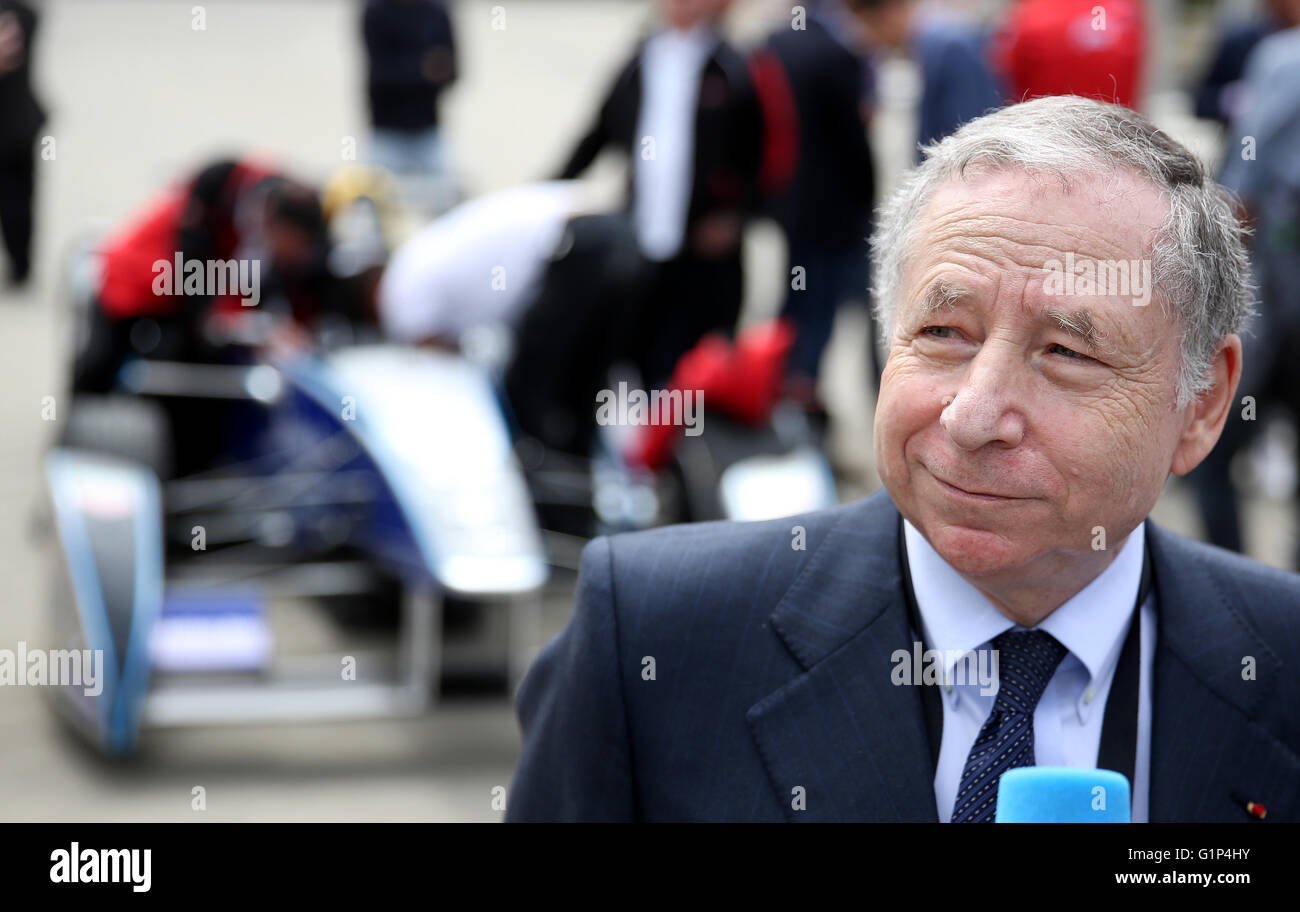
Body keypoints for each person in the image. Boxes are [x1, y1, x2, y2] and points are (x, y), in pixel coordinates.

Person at [506, 96, 1300, 822]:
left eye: (1064, 351)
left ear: (1200, 404)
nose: (973, 415)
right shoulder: (652, 637)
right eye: (944, 334)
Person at [556, 0, 764, 387]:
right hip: (640, 237)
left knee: (695, 358)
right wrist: (552, 192)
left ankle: (686, 440)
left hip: (703, 249)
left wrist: (737, 217)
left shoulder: (733, 67)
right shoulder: (640, 59)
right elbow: (598, 133)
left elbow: (762, 155)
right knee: (629, 350)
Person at [1188, 11, 1300, 560]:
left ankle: (1232, 579)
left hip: (1272, 307)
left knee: (1204, 445)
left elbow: (1241, 194)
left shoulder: (1283, 58)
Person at [760, 0, 875, 401]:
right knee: (822, 308)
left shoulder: (774, 40)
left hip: (789, 201)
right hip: (835, 210)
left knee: (796, 300)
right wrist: (868, 199)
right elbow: (854, 142)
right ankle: (800, 395)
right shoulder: (837, 51)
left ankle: (778, 386)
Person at [361, 0, 457, 177]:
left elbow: (453, 71)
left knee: (448, 192)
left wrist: (417, 70)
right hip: (385, 135)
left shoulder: (437, 11)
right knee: (372, 195)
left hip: (429, 133)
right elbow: (380, 73)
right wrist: (423, 70)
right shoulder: (376, 10)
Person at [993, 0, 1145, 109]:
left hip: (1045, 136)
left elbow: (1003, 79)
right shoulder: (1126, 10)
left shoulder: (1029, 15)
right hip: (1117, 133)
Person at [0, 0, 45, 289]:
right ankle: (21, 266)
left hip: (14, 129)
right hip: (20, 124)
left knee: (18, 200)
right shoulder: (20, 13)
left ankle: (21, 267)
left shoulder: (17, 15)